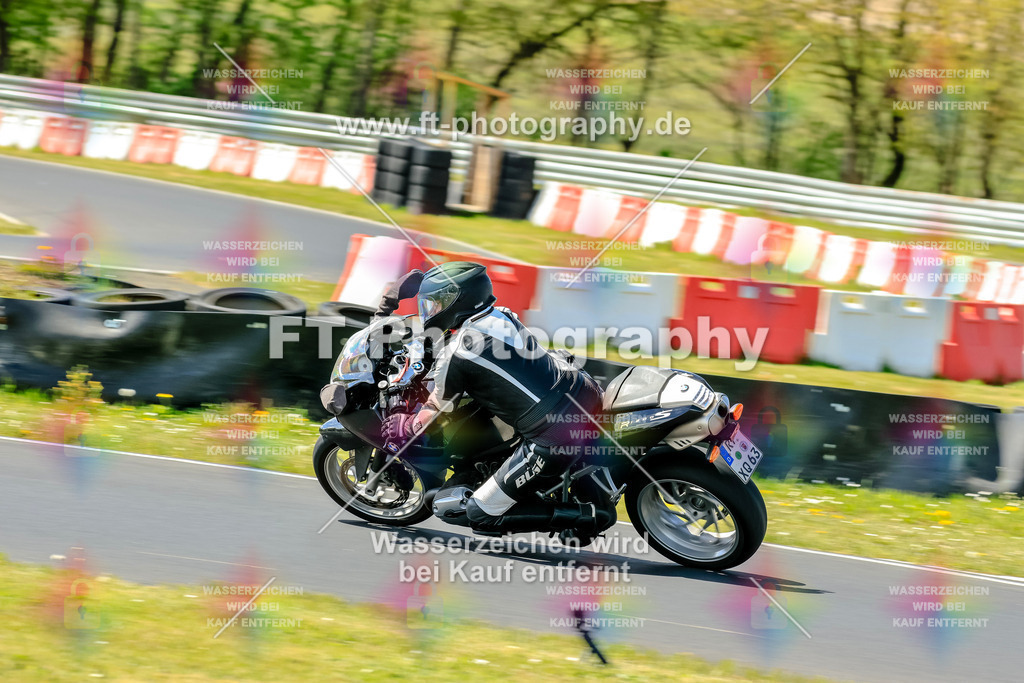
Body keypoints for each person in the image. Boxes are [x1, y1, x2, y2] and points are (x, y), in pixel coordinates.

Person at [377, 261, 614, 536]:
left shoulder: (457, 354)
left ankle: (586, 517)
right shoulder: (502, 315)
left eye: (435, 304)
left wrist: (403, 426)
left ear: (457, 301)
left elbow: (433, 412)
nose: (430, 312)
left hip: (555, 433)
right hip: (583, 389)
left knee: (480, 514)